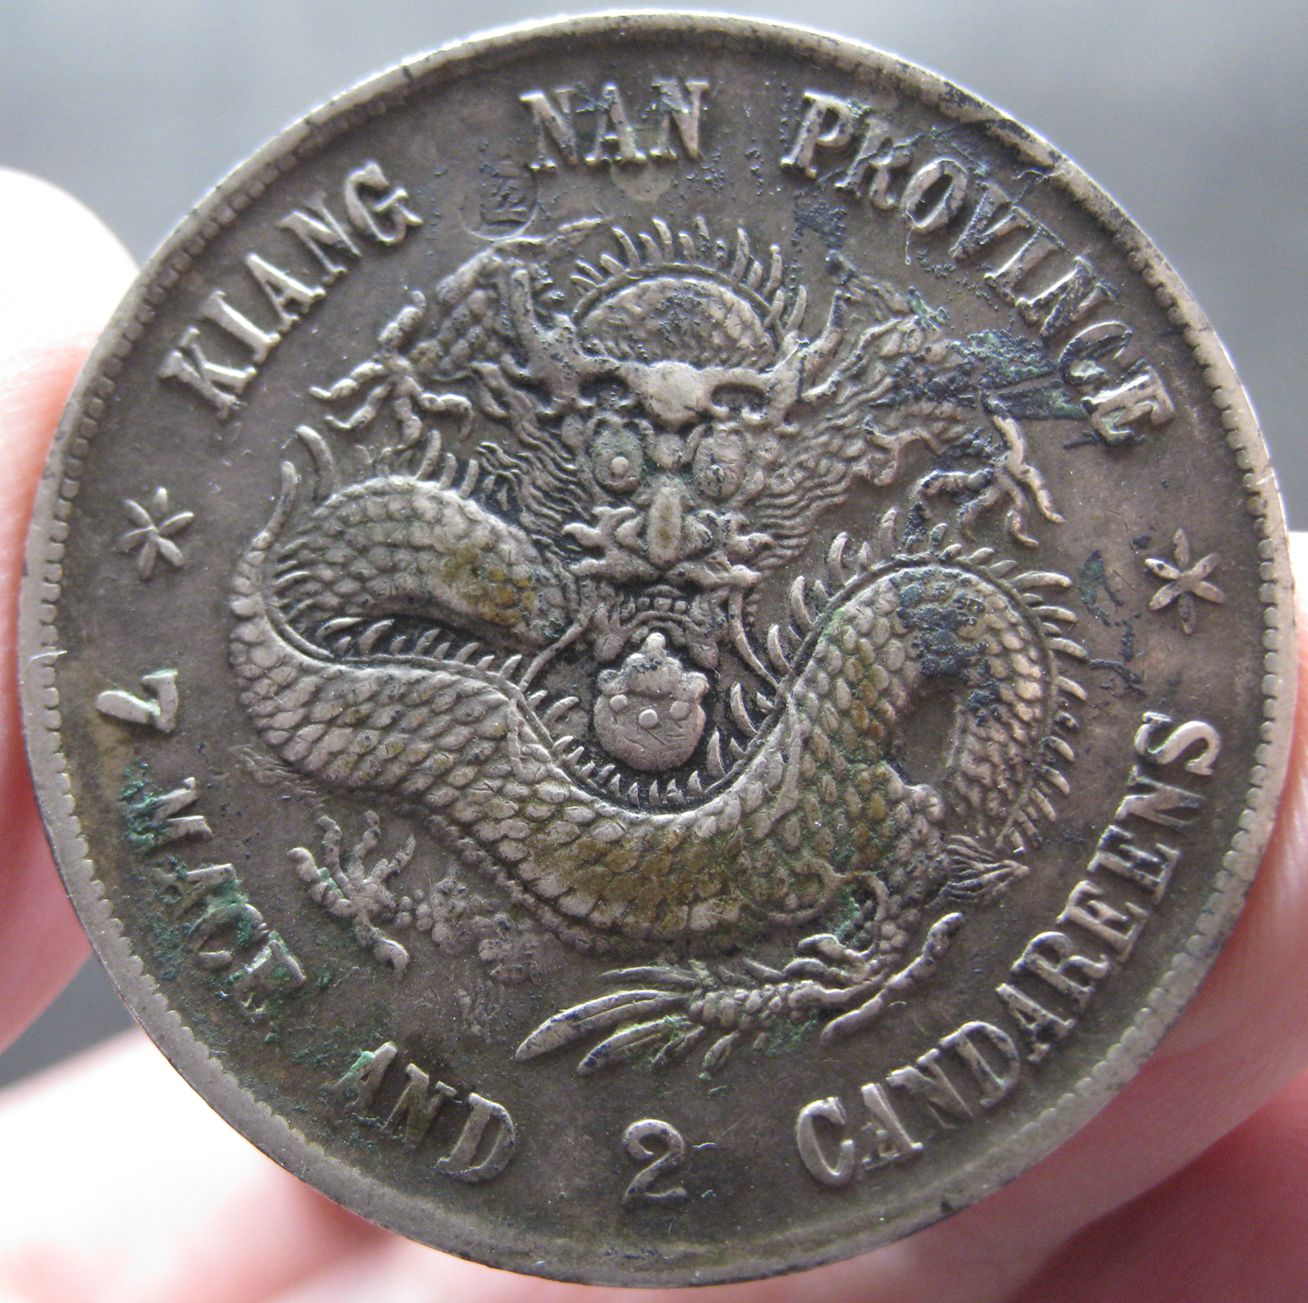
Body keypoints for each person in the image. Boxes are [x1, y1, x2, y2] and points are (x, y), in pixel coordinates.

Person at [2, 166, 1306, 1303]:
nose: (671, 521)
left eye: (713, 467)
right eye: (629, 464)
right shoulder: (442, 631)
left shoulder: (892, 648)